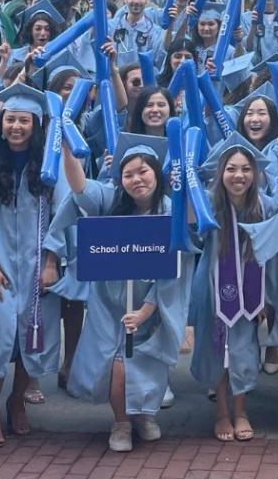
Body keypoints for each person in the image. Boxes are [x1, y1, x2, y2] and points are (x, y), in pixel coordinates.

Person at [54, 133, 193, 451]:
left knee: (148, 369)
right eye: (128, 174)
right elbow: (79, 187)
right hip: (111, 305)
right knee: (118, 367)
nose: (136, 179)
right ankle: (120, 423)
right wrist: (65, 148)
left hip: (152, 307)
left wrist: (146, 309)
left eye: (143, 171)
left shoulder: (172, 209)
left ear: (156, 173)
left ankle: (144, 416)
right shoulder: (110, 200)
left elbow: (177, 268)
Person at [0, 84, 70, 446]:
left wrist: (53, 261)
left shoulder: (49, 166)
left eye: (24, 120)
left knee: (32, 337)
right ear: (1, 122)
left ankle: (16, 402)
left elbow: (64, 214)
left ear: (36, 126)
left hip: (40, 267)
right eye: (11, 120)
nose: (17, 127)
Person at [187, 135, 278, 445]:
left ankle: (241, 411)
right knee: (217, 350)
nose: (239, 176)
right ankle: (221, 412)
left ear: (256, 173)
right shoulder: (208, 202)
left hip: (252, 292)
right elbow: (188, 228)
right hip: (213, 290)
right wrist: (184, 186)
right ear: (221, 172)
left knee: (244, 351)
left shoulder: (264, 204)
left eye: (246, 169)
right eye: (232, 169)